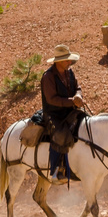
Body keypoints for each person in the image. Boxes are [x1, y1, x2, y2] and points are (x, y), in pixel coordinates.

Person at [40, 44, 87, 182]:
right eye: (67, 60)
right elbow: (52, 99)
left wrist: (78, 96)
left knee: (88, 123)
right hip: (54, 114)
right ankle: (55, 170)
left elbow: (78, 87)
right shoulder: (48, 77)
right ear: (59, 61)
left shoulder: (69, 72)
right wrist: (72, 101)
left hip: (69, 110)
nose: (70, 62)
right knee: (60, 134)